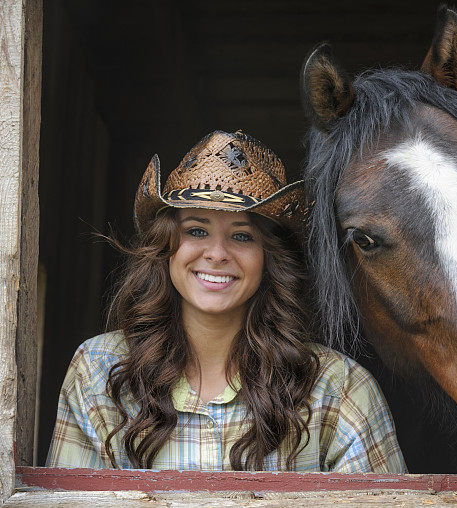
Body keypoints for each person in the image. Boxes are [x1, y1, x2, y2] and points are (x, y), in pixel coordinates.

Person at [47, 130, 406, 472]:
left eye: (242, 236)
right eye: (197, 231)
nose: (217, 254)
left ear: (268, 258)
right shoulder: (100, 372)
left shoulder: (336, 388)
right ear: (165, 248)